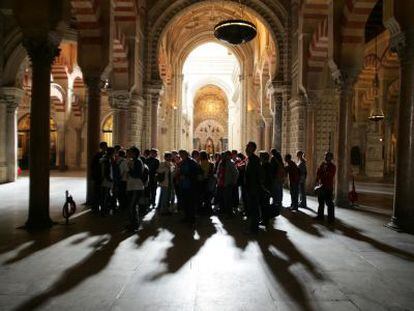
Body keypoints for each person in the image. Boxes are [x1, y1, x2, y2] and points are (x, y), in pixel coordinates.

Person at [244, 141, 263, 233]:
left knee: (254, 209)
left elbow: (258, 175)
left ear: (252, 148)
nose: (246, 148)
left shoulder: (255, 159)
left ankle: (254, 229)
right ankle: (253, 227)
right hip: (251, 188)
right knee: (252, 209)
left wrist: (255, 187)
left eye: (248, 147)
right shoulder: (250, 159)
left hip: (253, 188)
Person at [177, 149, 200, 224]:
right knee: (185, 203)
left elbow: (196, 173)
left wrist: (186, 176)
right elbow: (181, 171)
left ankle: (191, 219)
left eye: (181, 155)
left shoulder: (192, 162)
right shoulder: (183, 162)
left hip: (191, 186)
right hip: (184, 185)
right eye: (180, 155)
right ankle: (186, 217)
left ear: (185, 154)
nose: (180, 157)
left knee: (191, 203)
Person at [126, 147, 145, 231]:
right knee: (132, 206)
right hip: (132, 186)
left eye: (130, 152)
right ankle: (132, 223)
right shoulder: (133, 161)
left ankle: (135, 225)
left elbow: (137, 175)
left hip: (137, 187)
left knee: (133, 206)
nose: (128, 153)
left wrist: (129, 169)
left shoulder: (138, 161)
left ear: (134, 153)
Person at [315, 152, 337, 222]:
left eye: (327, 156)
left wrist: (323, 172)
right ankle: (320, 216)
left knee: (329, 203)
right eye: (325, 156)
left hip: (328, 186)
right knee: (321, 202)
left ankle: (331, 218)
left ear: (331, 158)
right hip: (321, 186)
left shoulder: (332, 166)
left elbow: (329, 175)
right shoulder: (322, 164)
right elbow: (318, 173)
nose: (325, 157)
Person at [217, 151, 239, 217]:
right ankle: (223, 211)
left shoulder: (230, 163)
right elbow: (218, 171)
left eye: (227, 155)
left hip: (227, 184)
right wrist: (218, 177)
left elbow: (236, 173)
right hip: (221, 183)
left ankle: (229, 213)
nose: (225, 157)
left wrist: (233, 181)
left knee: (228, 199)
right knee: (222, 198)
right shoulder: (221, 163)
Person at [90, 141, 108, 211]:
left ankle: (103, 206)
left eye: (106, 146)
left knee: (104, 193)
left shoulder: (107, 155)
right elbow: (92, 166)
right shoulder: (97, 155)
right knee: (97, 192)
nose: (105, 148)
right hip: (98, 177)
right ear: (101, 147)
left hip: (105, 177)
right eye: (104, 146)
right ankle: (95, 207)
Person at [100, 147, 115, 215]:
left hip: (105, 179)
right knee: (105, 194)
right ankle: (104, 210)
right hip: (106, 179)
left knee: (106, 194)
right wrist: (109, 178)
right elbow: (105, 170)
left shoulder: (104, 158)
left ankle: (105, 208)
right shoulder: (107, 159)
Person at [199, 150, 214, 214]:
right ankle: (208, 209)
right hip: (208, 181)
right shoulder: (211, 164)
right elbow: (212, 173)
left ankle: (202, 209)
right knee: (208, 196)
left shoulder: (199, 164)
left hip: (201, 182)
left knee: (201, 196)